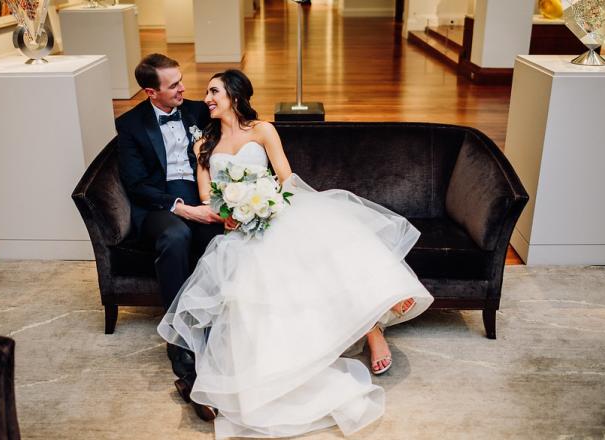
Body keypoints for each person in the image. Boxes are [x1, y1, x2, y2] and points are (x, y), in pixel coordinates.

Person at [157, 69, 434, 438]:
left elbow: (285, 176)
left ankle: (373, 323)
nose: (206, 98)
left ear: (235, 96)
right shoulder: (203, 145)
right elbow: (208, 196)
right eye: (208, 92)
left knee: (322, 239)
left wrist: (268, 204)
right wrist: (230, 212)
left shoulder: (263, 130)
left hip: (274, 211)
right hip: (237, 230)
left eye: (214, 91)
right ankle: (295, 361)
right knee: (259, 279)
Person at [115, 53, 224, 421]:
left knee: (226, 238)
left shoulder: (198, 111)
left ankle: (224, 334)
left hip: (203, 193)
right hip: (161, 207)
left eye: (181, 79)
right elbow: (136, 184)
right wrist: (183, 208)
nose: (183, 88)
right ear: (150, 91)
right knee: (176, 236)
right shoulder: (130, 125)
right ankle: (181, 349)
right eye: (173, 84)